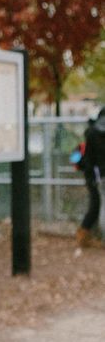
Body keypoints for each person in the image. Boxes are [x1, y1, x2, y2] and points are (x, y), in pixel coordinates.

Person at [76, 106, 105, 247]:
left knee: (96, 206)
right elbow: (79, 159)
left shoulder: (89, 136)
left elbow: (81, 159)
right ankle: (84, 235)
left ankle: (85, 235)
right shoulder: (86, 142)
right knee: (96, 206)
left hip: (93, 176)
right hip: (95, 176)